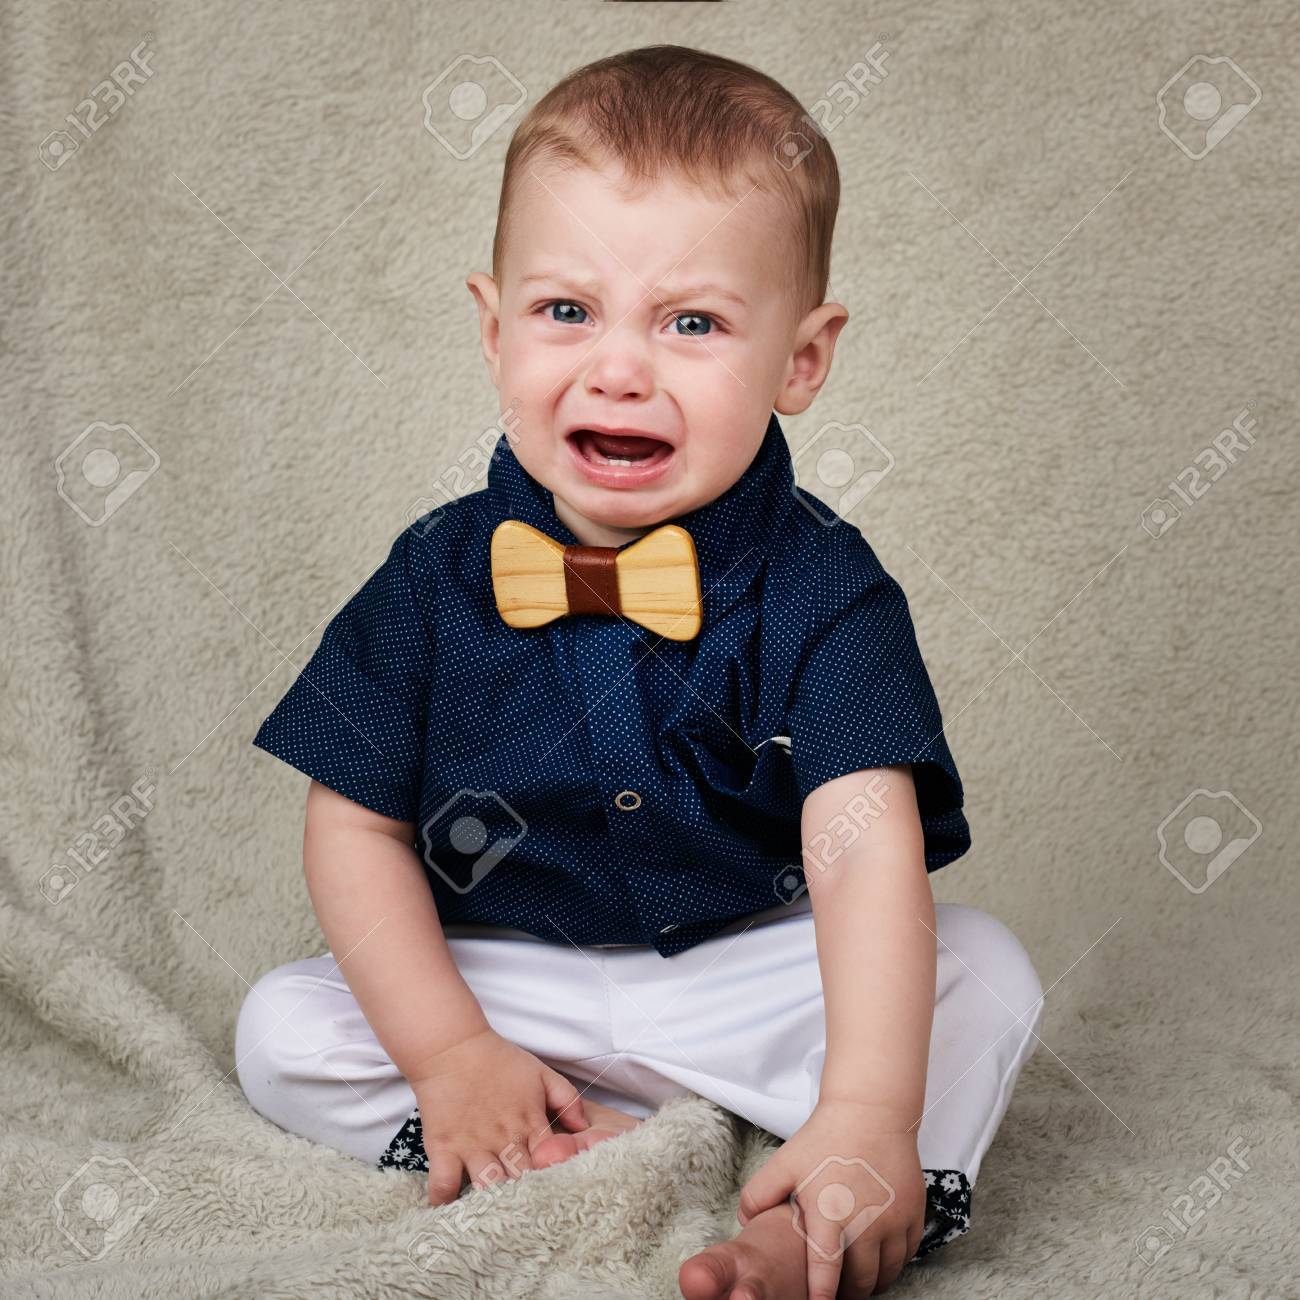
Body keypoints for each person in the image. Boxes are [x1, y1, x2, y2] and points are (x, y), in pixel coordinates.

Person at [236, 44, 1043, 1300]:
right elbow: (351, 822)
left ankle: (826, 1206)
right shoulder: (432, 575)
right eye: (568, 310)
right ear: (495, 328)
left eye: (693, 322)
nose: (620, 367)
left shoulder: (825, 586)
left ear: (801, 360)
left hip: (739, 969)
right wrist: (449, 1048)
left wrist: (873, 1099)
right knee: (283, 1028)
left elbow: (862, 843)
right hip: (513, 978)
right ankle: (545, 1133)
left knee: (983, 974)